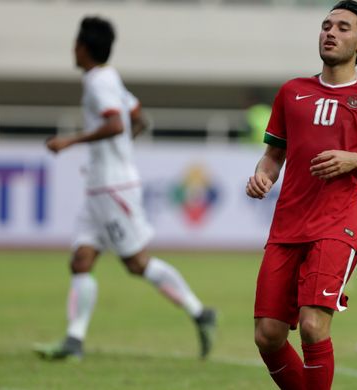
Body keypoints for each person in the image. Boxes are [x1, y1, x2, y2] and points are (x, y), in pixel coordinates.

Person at [245, 2, 357, 388]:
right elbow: (273, 156)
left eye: (342, 28)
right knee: (267, 335)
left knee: (312, 325)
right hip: (286, 226)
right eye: (326, 25)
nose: (330, 33)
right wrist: (262, 176)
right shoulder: (292, 92)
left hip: (337, 226)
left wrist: (354, 160)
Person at [34, 16, 216, 361]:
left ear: (84, 48)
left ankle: (199, 312)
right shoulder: (110, 76)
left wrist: (70, 141)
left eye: (75, 43)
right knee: (81, 259)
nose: (72, 49)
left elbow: (116, 122)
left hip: (112, 188)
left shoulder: (96, 82)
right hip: (101, 187)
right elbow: (137, 118)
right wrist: (118, 153)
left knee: (136, 263)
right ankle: (74, 341)